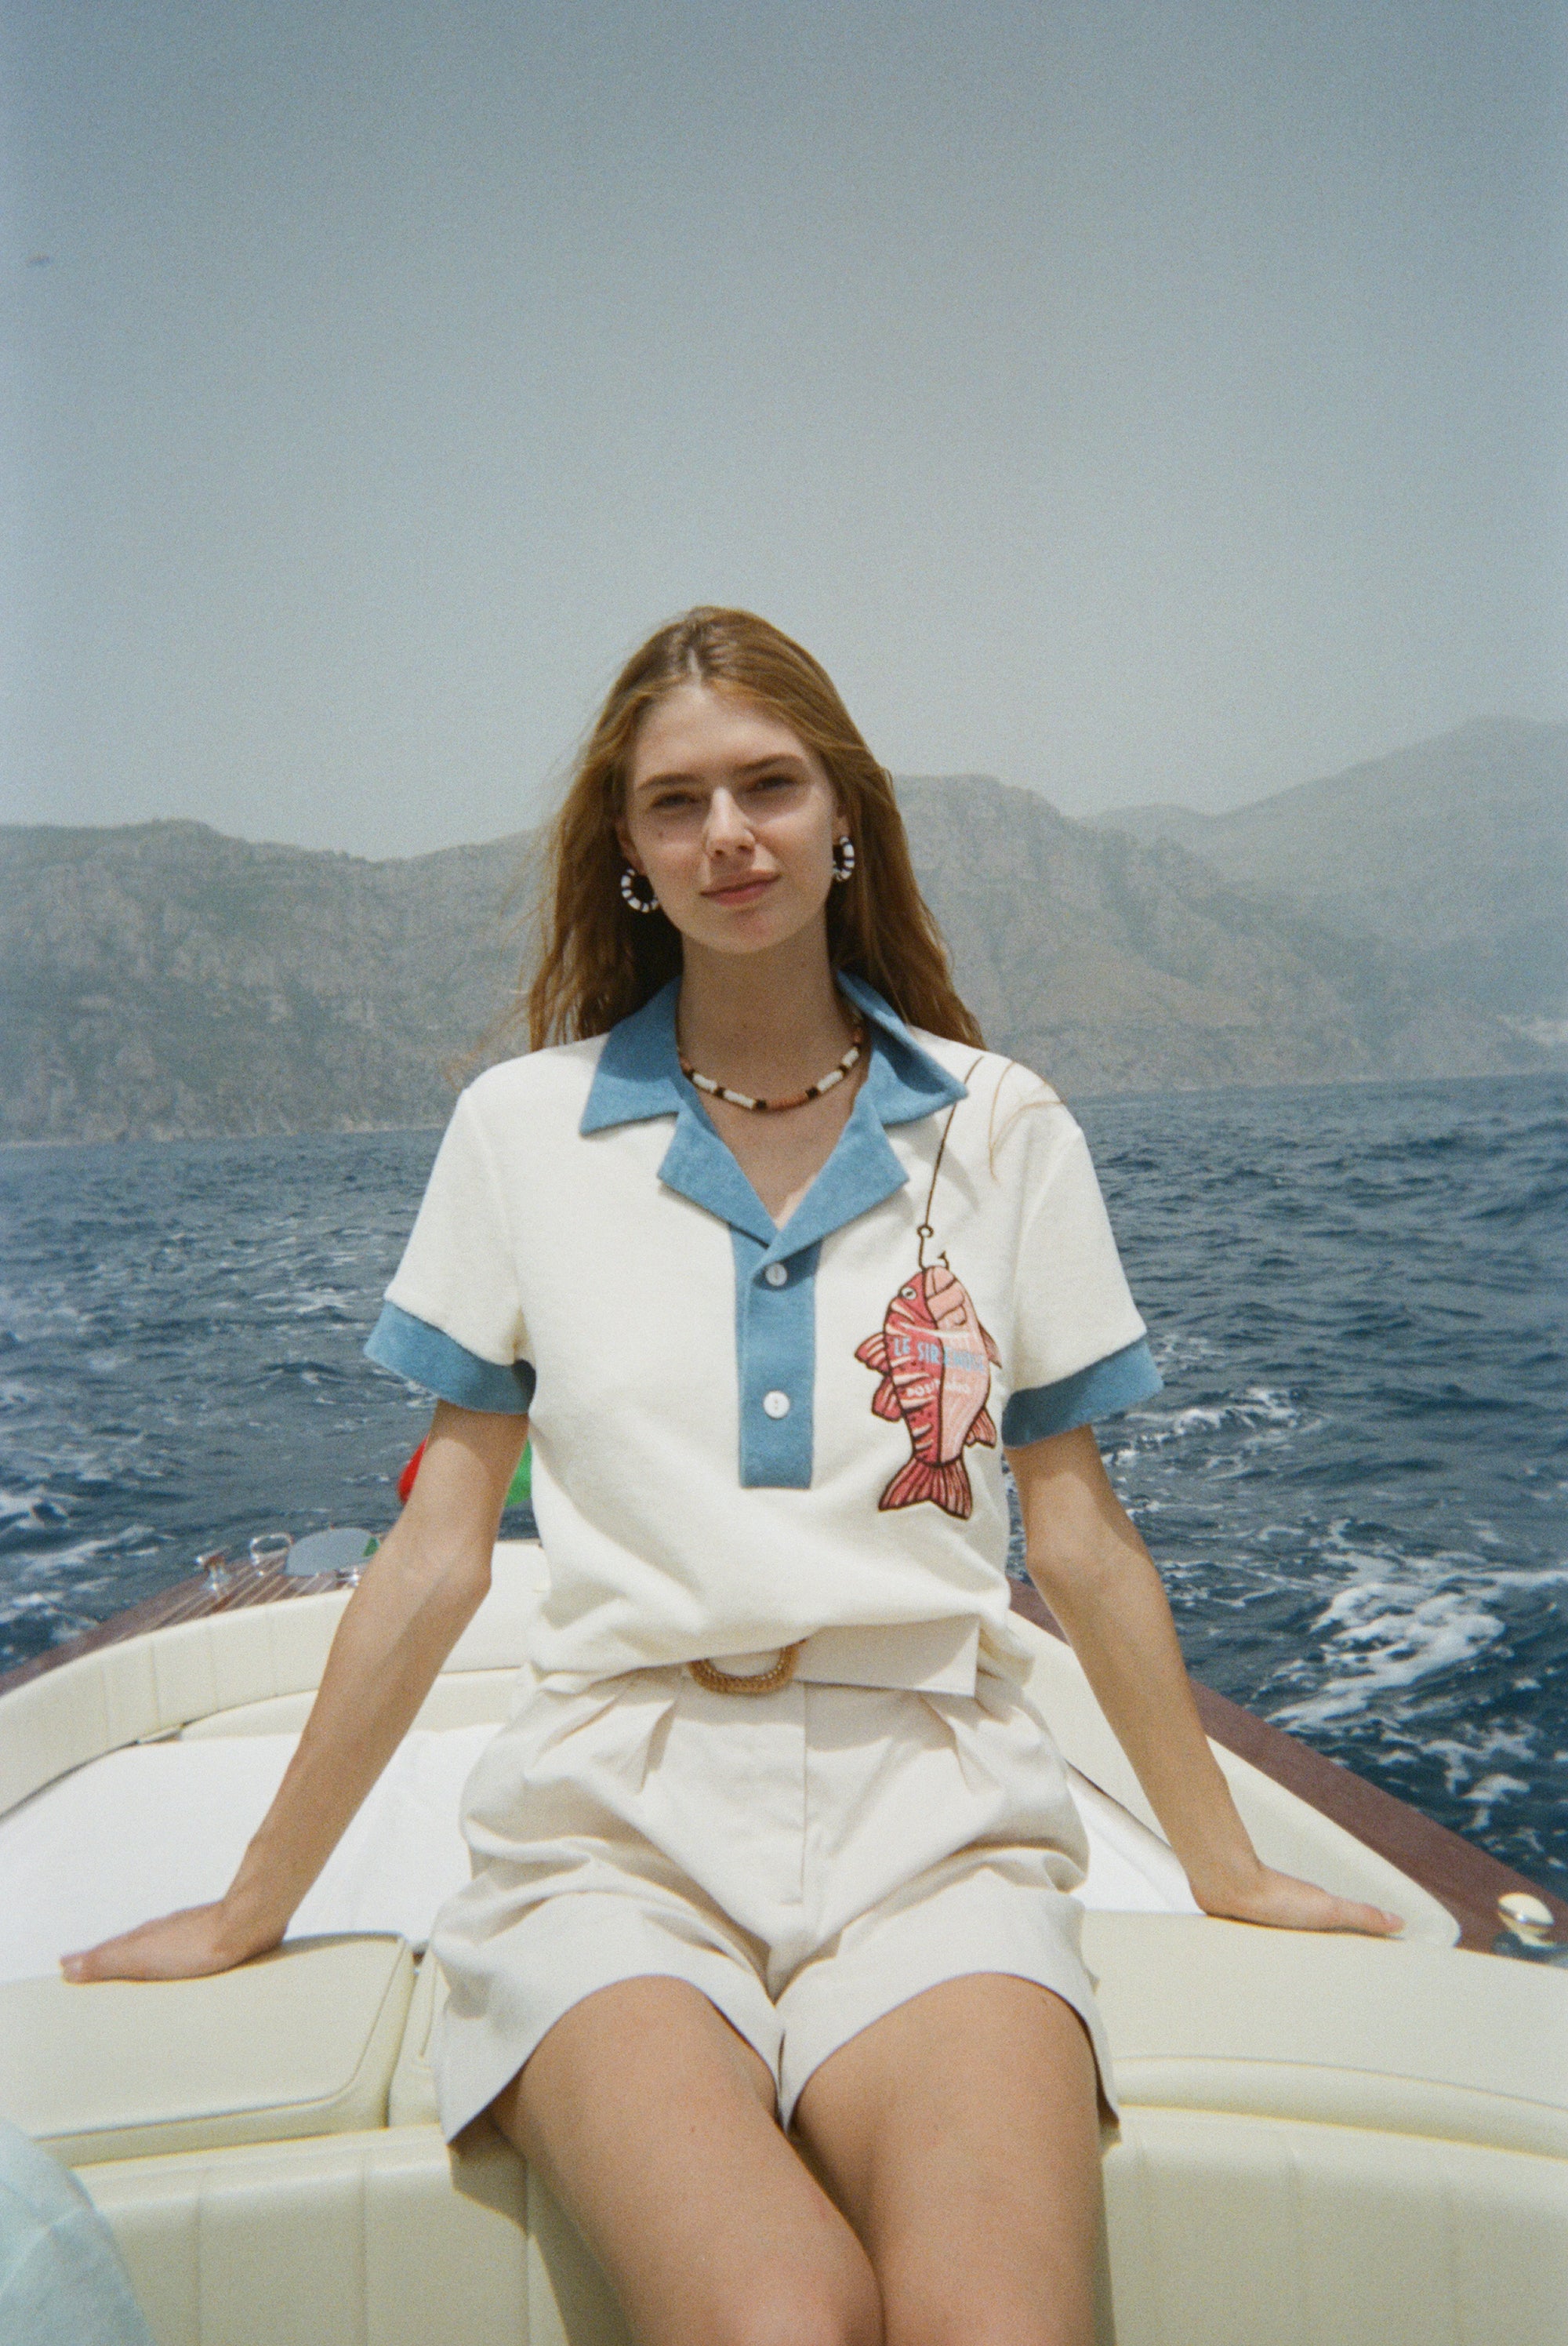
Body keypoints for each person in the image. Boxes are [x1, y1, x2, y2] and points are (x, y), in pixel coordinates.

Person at [65, 608, 1403, 2346]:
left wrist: (1223, 1867)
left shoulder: (999, 1129)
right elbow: (434, 1554)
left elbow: (1074, 1536)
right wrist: (257, 1902)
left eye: (769, 785)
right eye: (675, 801)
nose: (730, 835)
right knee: (778, 2317)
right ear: (624, 852)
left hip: (932, 1809)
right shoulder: (520, 1130)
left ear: (846, 813)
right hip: (614, 1822)